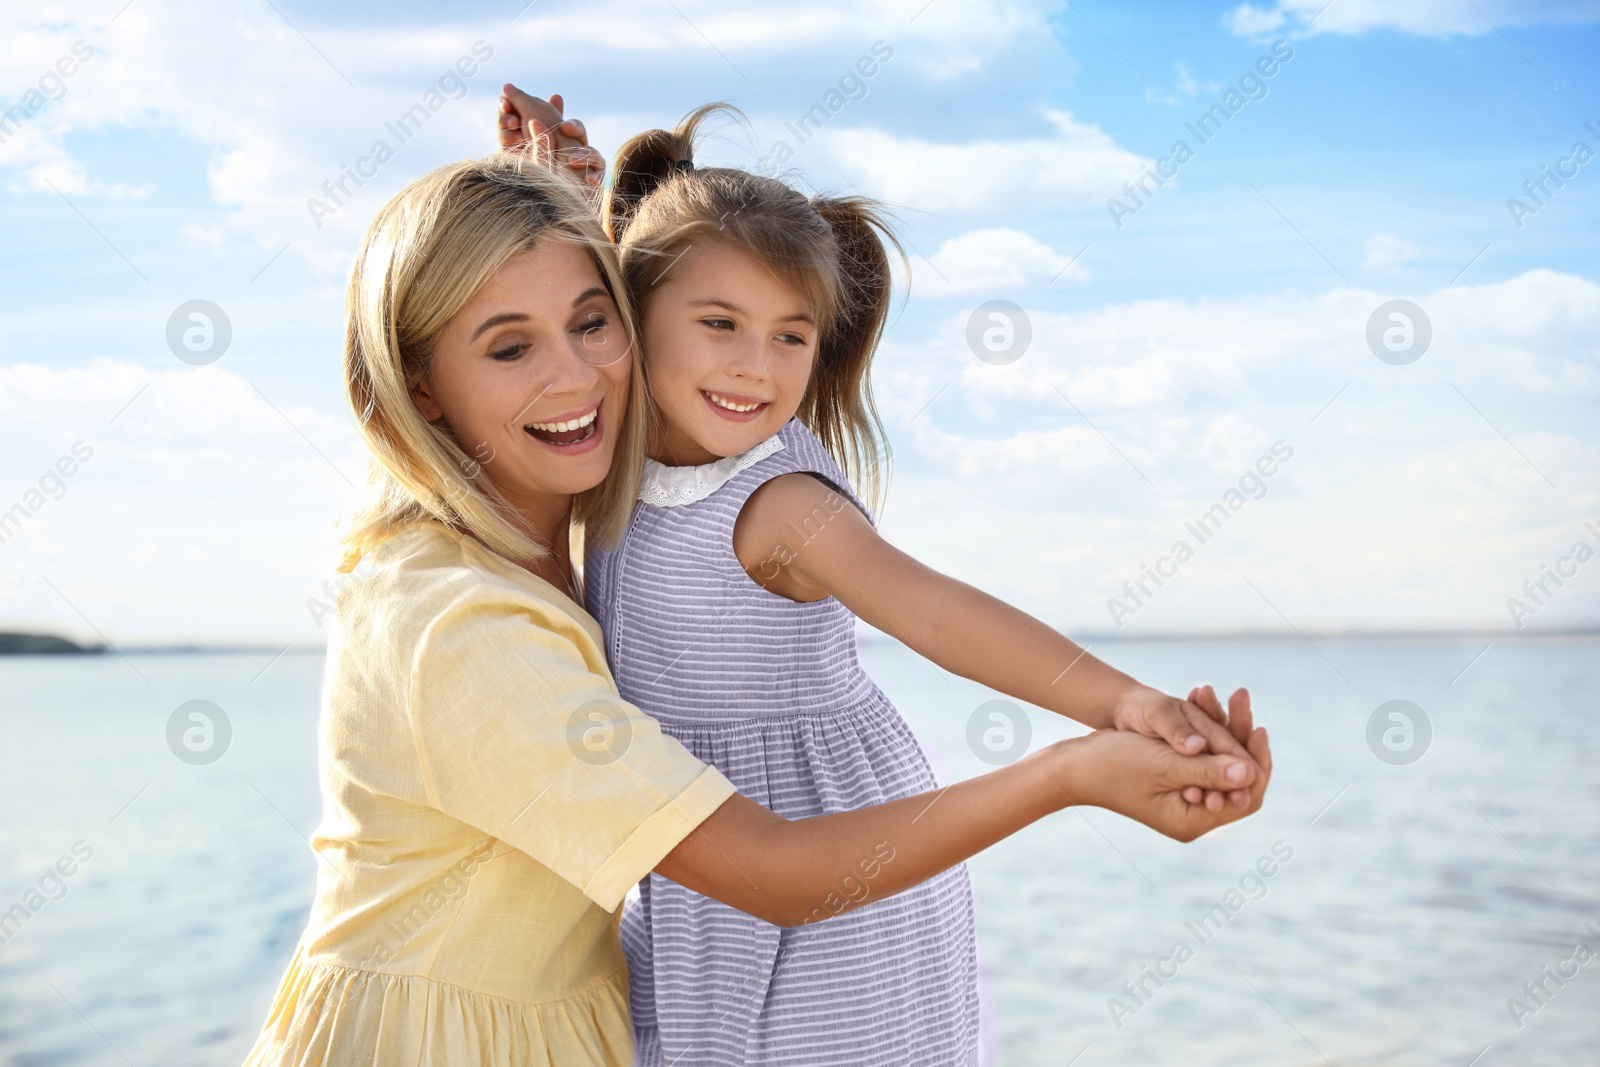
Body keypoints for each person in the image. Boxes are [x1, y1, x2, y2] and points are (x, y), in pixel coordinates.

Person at [242, 152, 1269, 1067]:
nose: (576, 373)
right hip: (467, 1022)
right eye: (509, 347)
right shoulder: (470, 620)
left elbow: (932, 609)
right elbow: (769, 872)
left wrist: (1117, 706)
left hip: (795, 866)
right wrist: (1069, 772)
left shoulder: (744, 496)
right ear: (416, 385)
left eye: (588, 322)